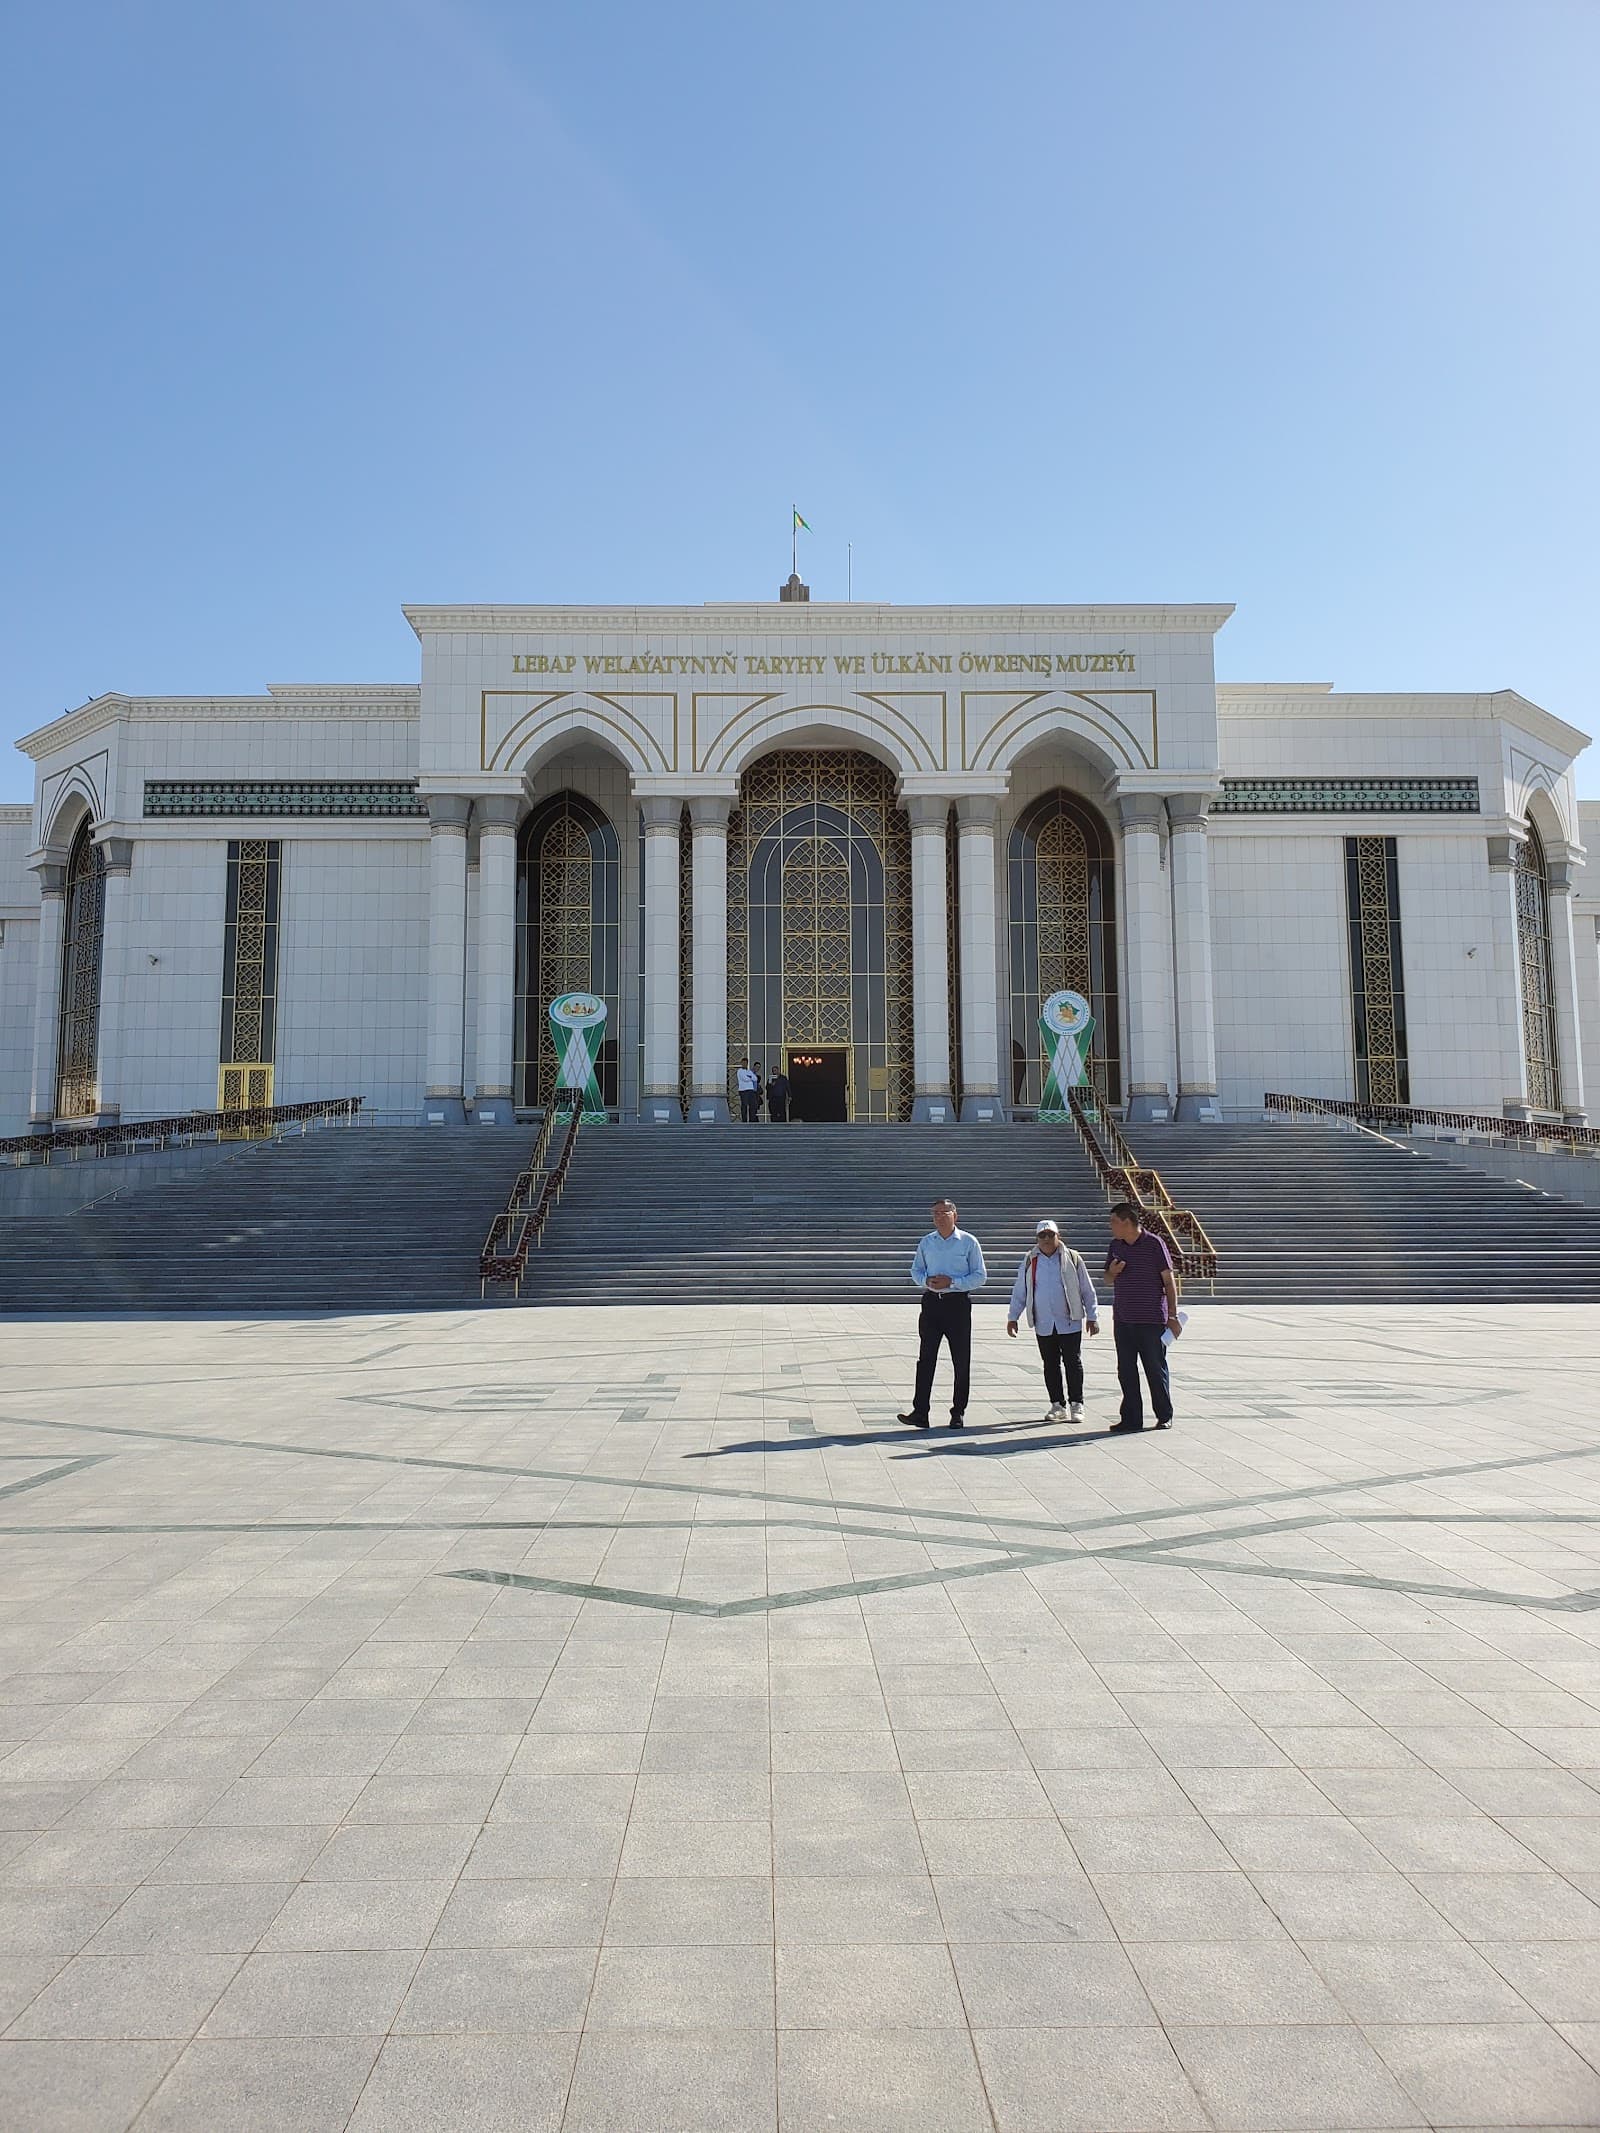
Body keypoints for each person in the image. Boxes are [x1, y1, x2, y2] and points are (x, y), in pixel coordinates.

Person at [898, 1198, 987, 1430]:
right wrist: (925, 1281)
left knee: (961, 1360)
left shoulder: (968, 1242)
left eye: (944, 1212)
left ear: (955, 1215)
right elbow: (916, 1270)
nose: (939, 1217)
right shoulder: (927, 1242)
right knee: (925, 1359)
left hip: (957, 1305)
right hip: (932, 1304)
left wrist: (953, 1282)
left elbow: (980, 1276)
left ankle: (958, 1412)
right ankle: (920, 1412)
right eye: (935, 1213)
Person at [1006, 1219, 1099, 1424]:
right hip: (1044, 1322)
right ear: (1037, 1239)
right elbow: (1021, 1290)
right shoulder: (1031, 1260)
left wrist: (1092, 1316)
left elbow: (1086, 1288)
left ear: (1058, 1236)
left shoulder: (1072, 1258)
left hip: (1069, 1320)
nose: (1047, 1239)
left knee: (1072, 1362)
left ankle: (1077, 1403)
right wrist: (1013, 1317)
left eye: (1050, 1235)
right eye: (1042, 1235)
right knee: (1050, 1364)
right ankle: (1057, 1404)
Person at [1104, 1200, 1181, 1432]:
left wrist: (1172, 1315)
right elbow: (1107, 1279)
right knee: (1126, 1370)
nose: (1111, 1226)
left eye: (1114, 1222)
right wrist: (1112, 1272)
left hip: (1151, 1320)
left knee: (1155, 1369)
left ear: (1127, 1222)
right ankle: (1131, 1418)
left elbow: (1169, 1282)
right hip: (1123, 1319)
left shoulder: (1154, 1244)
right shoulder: (1115, 1246)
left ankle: (1164, 1415)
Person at [735, 1058, 761, 1123]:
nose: (744, 1064)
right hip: (743, 1090)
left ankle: (752, 1120)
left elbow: (755, 1079)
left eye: (746, 1063)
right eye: (743, 1063)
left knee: (752, 1105)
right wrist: (750, 1078)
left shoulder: (749, 1071)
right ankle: (744, 1120)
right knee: (744, 1106)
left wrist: (750, 1077)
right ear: (741, 1063)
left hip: (751, 1090)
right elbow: (745, 1079)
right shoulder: (740, 1071)